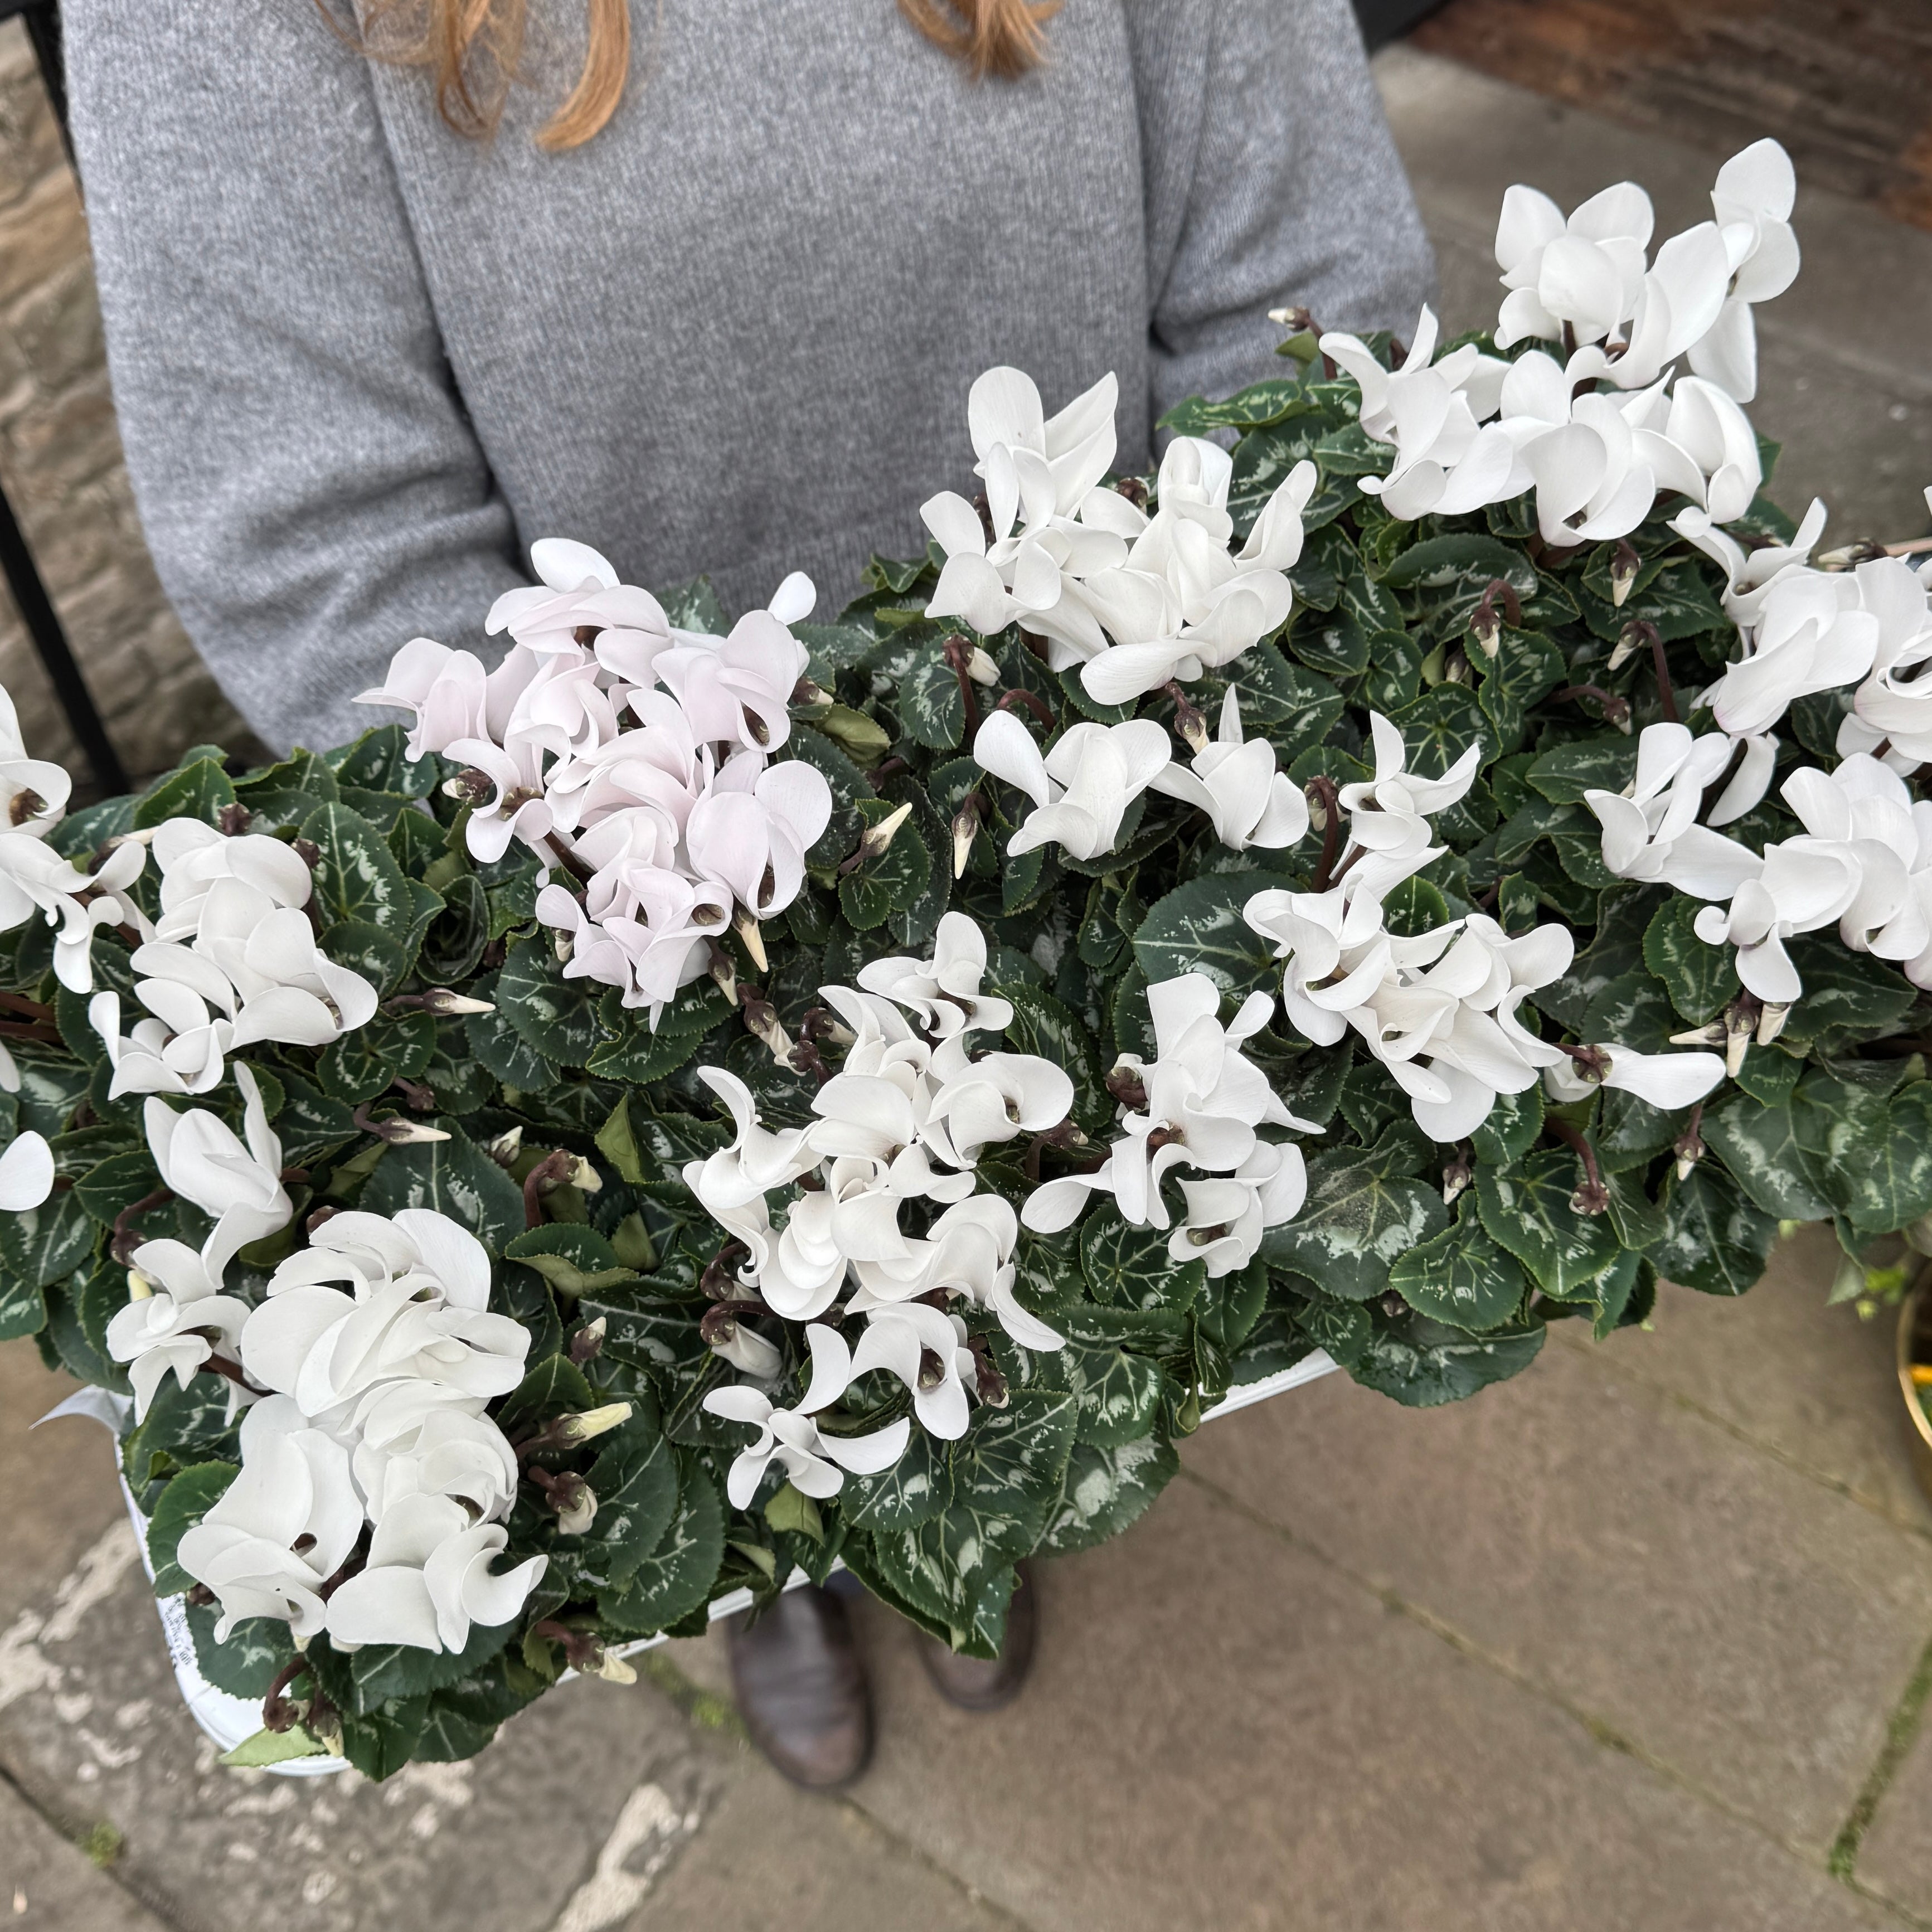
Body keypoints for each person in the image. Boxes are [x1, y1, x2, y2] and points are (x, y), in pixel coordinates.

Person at [65, 0, 1433, 1789]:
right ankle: (758, 1524)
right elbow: (324, 545)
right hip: (628, 932)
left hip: (1112, 815)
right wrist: (691, 882)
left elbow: (1301, 294)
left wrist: (1140, 759)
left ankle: (956, 1473)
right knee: (715, 1358)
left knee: (1017, 1320)